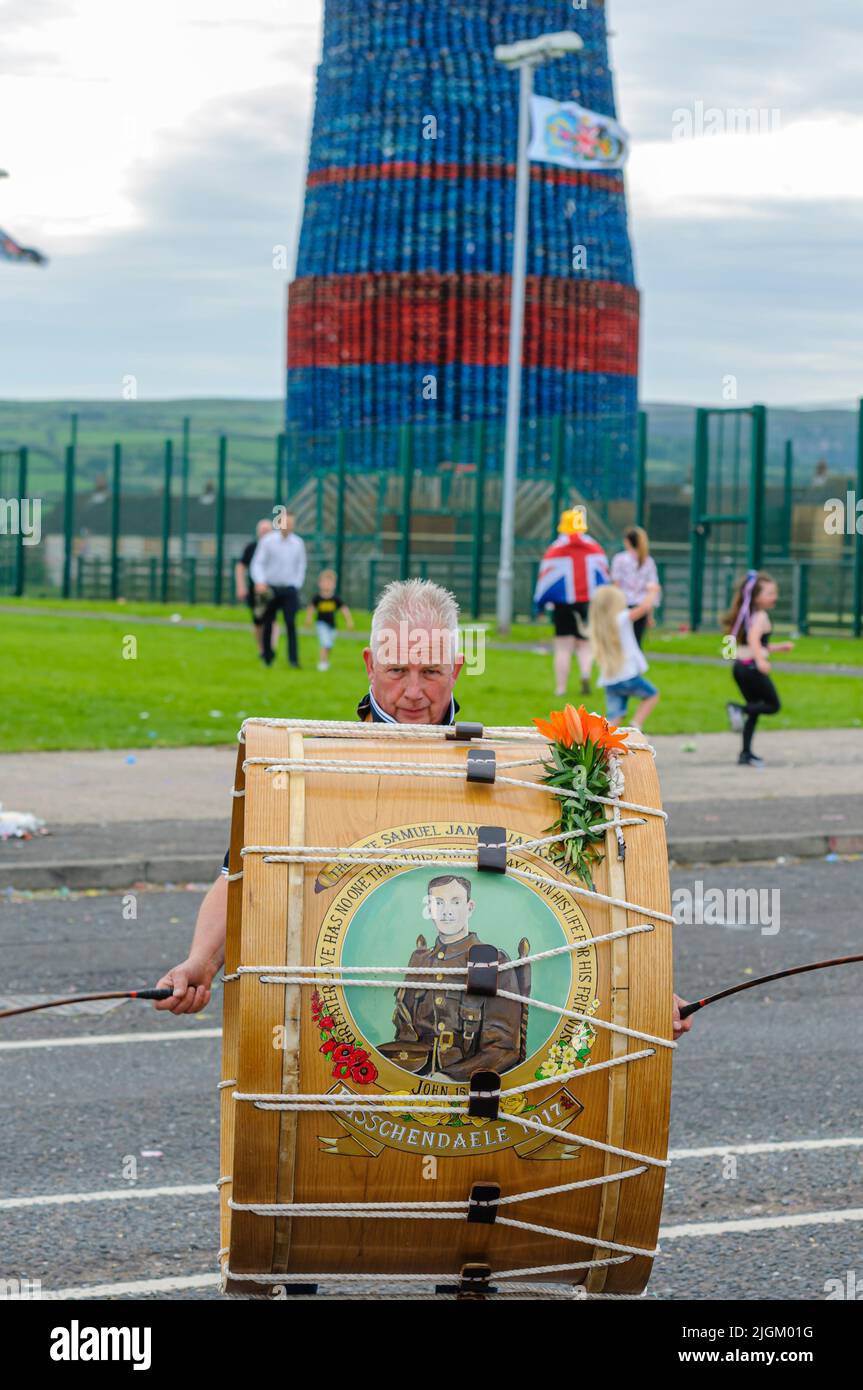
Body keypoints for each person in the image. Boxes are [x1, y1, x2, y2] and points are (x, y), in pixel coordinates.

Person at [154, 577, 692, 1037]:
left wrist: (645, 990)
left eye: (431, 673)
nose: (413, 692)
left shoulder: (511, 775)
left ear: (457, 669)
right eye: (397, 672)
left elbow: (581, 890)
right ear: (369, 664)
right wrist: (200, 962)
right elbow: (241, 873)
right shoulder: (310, 768)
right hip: (345, 1024)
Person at [378, 874, 526, 1080]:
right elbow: (404, 1032)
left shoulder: (492, 960)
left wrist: (451, 1077)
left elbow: (503, 1048)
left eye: (456, 902)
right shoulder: (419, 960)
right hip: (414, 1073)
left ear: (470, 907)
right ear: (429, 909)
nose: (447, 911)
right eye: (438, 903)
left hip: (461, 1080)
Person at [534, 508, 610, 698]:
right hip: (588, 603)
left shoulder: (556, 549)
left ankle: (560, 688)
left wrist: (539, 605)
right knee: (585, 644)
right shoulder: (594, 547)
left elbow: (545, 579)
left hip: (563, 605)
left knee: (563, 647)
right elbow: (604, 575)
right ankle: (585, 674)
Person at [723, 571, 793, 768]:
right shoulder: (760, 615)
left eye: (775, 593)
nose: (774, 597)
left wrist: (778, 648)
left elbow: (755, 643)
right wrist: (761, 661)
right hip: (751, 668)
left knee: (755, 709)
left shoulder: (747, 615)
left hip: (740, 667)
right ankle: (737, 709)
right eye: (770, 593)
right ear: (756, 597)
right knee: (772, 705)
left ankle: (745, 753)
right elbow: (754, 640)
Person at [590, 582, 661, 731]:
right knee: (652, 695)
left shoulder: (599, 626)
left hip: (610, 680)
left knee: (615, 716)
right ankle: (635, 726)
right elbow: (643, 608)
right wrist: (653, 591)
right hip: (628, 675)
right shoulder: (620, 618)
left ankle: (602, 743)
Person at [250, 509, 306, 668]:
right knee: (268, 622)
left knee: (290, 623)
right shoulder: (268, 541)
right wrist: (260, 581)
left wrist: (296, 584)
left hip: (289, 589)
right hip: (271, 588)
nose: (288, 525)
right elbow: (258, 563)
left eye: (291, 523)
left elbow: (301, 565)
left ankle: (293, 660)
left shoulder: (298, 543)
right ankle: (267, 658)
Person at [611, 526, 661, 648]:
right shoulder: (648, 561)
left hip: (623, 605)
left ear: (627, 541)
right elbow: (652, 590)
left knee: (622, 642)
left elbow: (616, 585)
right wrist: (650, 614)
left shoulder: (619, 559)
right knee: (636, 643)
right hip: (642, 607)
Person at [235, 518, 276, 659]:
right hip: (256, 591)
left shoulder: (276, 548)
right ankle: (262, 649)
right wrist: (241, 586)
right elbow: (240, 566)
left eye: (267, 530)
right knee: (258, 621)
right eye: (262, 530)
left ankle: (270, 649)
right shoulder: (251, 548)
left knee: (273, 620)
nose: (265, 533)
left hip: (273, 590)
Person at [305, 568, 354, 672]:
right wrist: (308, 619)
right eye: (325, 582)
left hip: (332, 626)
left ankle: (325, 660)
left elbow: (344, 609)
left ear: (334, 584)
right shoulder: (317, 598)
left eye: (329, 582)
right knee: (325, 643)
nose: (327, 585)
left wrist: (349, 621)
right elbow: (311, 608)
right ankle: (322, 663)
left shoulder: (335, 598)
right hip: (321, 624)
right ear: (320, 584)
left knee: (329, 644)